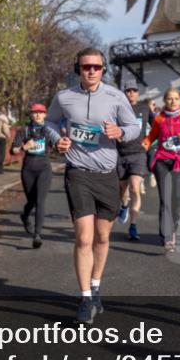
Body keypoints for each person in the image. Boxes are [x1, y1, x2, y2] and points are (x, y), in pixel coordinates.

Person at [44, 48, 141, 324]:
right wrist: (56, 139)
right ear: (78, 69)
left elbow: (134, 126)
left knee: (101, 237)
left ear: (103, 69)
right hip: (78, 173)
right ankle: (85, 298)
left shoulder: (115, 97)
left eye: (97, 67)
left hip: (107, 174)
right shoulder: (64, 97)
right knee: (84, 238)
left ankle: (96, 286)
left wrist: (120, 132)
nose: (91, 71)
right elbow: (51, 122)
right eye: (86, 67)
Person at [143, 88, 180, 252]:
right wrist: (143, 144)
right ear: (165, 101)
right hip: (162, 161)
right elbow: (152, 137)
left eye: (176, 99)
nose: (173, 102)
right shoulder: (159, 118)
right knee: (165, 199)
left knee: (177, 199)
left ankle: (174, 229)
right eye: (169, 99)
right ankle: (167, 235)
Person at [11, 103, 52, 249]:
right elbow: (13, 151)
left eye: (40, 113)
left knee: (40, 201)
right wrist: (24, 147)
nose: (37, 115)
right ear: (31, 115)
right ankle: (25, 215)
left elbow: (59, 145)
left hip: (44, 169)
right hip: (28, 170)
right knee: (31, 202)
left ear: (45, 114)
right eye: (34, 113)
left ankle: (37, 235)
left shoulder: (49, 130)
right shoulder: (24, 130)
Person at [117, 86, 152, 241]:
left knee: (135, 188)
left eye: (134, 90)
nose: (131, 93)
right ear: (124, 93)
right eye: (128, 91)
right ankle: (124, 205)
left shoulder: (144, 108)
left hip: (138, 153)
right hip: (120, 153)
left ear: (138, 93)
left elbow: (157, 126)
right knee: (122, 189)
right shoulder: (118, 107)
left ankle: (133, 224)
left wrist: (149, 141)